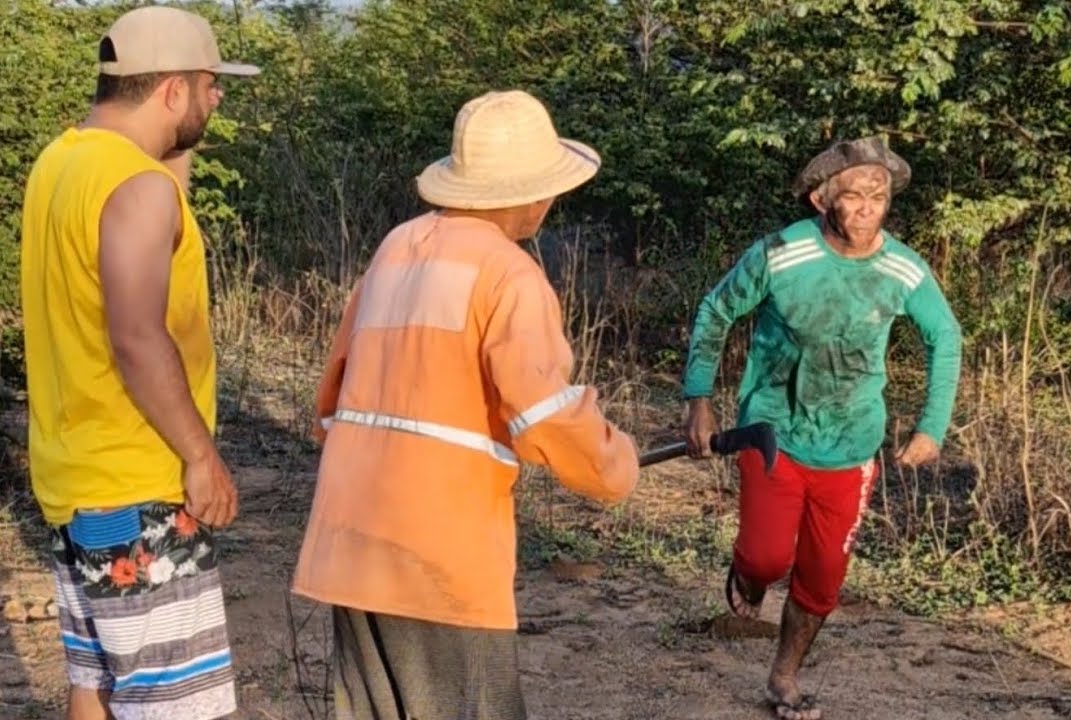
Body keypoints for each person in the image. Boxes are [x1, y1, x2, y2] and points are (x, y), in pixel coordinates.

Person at [292, 89, 640, 720]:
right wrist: (614, 465)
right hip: (439, 555)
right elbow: (544, 413)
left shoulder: (396, 248)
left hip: (352, 537)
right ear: (531, 194)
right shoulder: (509, 273)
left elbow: (333, 400)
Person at [19, 6, 259, 719]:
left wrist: (175, 145)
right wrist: (199, 455)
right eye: (211, 86)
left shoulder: (62, 162)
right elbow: (137, 336)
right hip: (142, 487)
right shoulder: (138, 188)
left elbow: (143, 224)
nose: (218, 99)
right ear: (172, 91)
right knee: (174, 705)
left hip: (74, 481)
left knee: (94, 683)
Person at [681, 136, 963, 719]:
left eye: (878, 197)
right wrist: (698, 399)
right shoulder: (782, 254)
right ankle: (750, 578)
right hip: (773, 431)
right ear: (820, 199)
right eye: (853, 195)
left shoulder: (903, 269)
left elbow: (946, 337)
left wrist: (932, 426)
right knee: (764, 558)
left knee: (824, 578)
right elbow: (716, 311)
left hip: (851, 441)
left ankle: (784, 674)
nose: (866, 208)